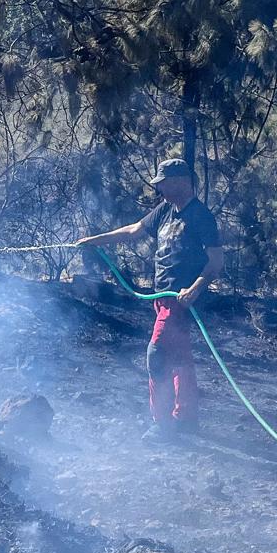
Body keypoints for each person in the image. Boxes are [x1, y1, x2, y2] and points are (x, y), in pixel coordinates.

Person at [77, 157, 222, 435]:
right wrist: (94, 241)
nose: (160, 189)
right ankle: (187, 419)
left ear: (181, 182)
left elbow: (216, 262)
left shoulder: (201, 216)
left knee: (157, 354)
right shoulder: (165, 210)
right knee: (179, 359)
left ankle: (162, 424)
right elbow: (133, 231)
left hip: (180, 300)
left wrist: (194, 289)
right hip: (161, 297)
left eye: (164, 183)